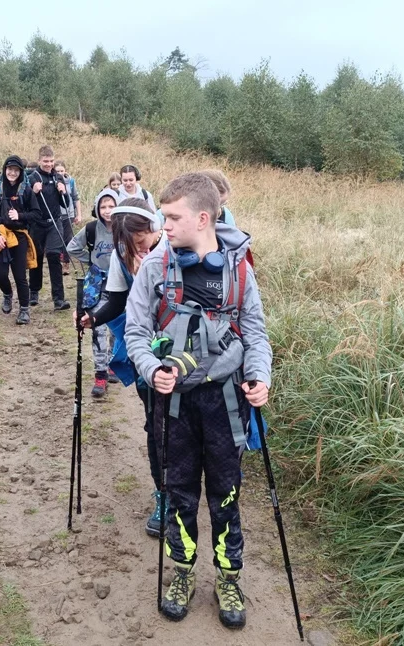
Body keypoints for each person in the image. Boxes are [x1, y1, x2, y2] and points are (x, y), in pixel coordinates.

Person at [124, 172, 271, 629]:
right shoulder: (154, 267)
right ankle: (182, 572)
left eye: (171, 217)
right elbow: (136, 333)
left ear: (203, 217)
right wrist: (152, 371)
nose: (162, 225)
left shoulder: (240, 269)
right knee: (179, 491)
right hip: (174, 406)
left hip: (226, 405)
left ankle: (229, 577)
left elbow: (256, 334)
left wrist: (259, 377)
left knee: (226, 493)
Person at [77, 198, 165, 535]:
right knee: (155, 426)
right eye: (129, 244)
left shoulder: (173, 248)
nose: (138, 248)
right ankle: (165, 495)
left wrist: (149, 278)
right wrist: (92, 317)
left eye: (141, 239)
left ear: (152, 228)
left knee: (185, 426)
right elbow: (115, 299)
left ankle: (188, 484)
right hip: (144, 351)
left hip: (185, 352)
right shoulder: (120, 255)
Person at [67, 189, 118, 398]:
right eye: (103, 207)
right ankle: (100, 374)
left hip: (120, 285)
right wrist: (92, 260)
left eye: (111, 206)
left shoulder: (125, 228)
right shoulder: (90, 229)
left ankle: (115, 362)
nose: (107, 211)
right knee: (98, 328)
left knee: (118, 329)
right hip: (97, 285)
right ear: (97, 209)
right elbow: (72, 248)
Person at [0, 155, 36, 325]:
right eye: (10, 169)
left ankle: (24, 310)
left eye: (16, 170)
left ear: (20, 172)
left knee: (20, 276)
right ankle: (7, 294)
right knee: (0, 274)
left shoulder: (26, 191)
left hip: (20, 236)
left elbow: (36, 214)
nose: (12, 173)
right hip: (0, 236)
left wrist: (19, 215)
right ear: (5, 169)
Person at [28, 145, 70, 311]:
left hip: (54, 222)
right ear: (39, 161)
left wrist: (63, 192)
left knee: (53, 256)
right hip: (37, 223)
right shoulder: (33, 177)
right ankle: (34, 291)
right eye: (45, 161)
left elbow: (66, 205)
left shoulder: (58, 177)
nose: (49, 164)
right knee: (37, 257)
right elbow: (25, 201)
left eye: (51, 161)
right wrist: (34, 191)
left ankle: (59, 299)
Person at [54, 160, 82, 275]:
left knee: (68, 239)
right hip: (56, 214)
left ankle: (66, 263)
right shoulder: (52, 181)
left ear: (65, 170)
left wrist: (79, 214)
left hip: (69, 214)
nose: (60, 173)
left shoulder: (70, 181)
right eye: (57, 171)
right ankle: (57, 263)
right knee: (58, 239)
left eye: (62, 170)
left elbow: (76, 198)